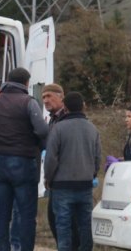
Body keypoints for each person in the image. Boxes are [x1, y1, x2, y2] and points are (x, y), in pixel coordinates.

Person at [0, 67, 48, 251]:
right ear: (26, 83)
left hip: (0, 163)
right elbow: (41, 130)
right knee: (25, 214)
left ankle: (1, 247)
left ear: (8, 80)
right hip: (24, 163)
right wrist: (44, 147)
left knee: (1, 213)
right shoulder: (29, 103)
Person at [44, 92, 101, 251]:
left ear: (65, 107)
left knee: (63, 225)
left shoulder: (58, 128)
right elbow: (97, 157)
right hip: (85, 184)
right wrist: (93, 174)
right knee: (85, 224)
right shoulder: (92, 129)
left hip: (62, 185)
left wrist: (49, 178)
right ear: (83, 106)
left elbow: (51, 159)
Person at [41, 83, 80, 250]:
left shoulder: (69, 117)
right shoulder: (53, 119)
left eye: (49, 96)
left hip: (68, 177)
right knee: (54, 219)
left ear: (61, 96)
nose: (46, 100)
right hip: (56, 178)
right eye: (43, 97)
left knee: (68, 222)